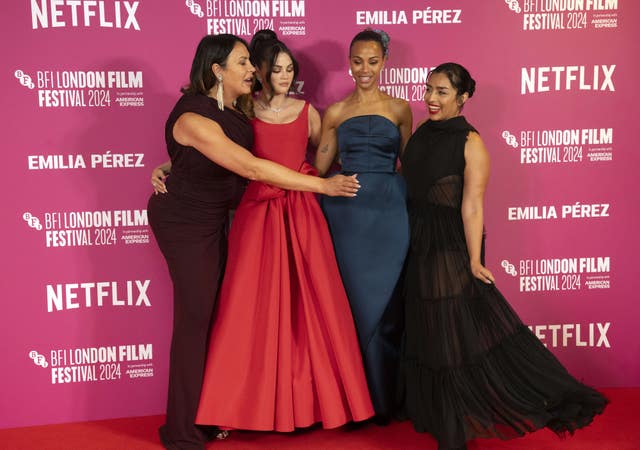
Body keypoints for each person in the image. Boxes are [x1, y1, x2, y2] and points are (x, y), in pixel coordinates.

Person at [148, 34, 361, 450]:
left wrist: (167, 163)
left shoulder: (228, 109)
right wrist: (323, 186)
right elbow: (250, 166)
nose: (253, 71)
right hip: (185, 223)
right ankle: (183, 431)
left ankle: (209, 412)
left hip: (218, 220)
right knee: (195, 320)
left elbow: (205, 155)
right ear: (217, 70)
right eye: (244, 63)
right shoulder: (194, 115)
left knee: (215, 316)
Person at [399, 62, 608, 450]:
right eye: (429, 89)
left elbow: (473, 207)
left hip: (450, 246)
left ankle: (456, 426)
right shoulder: (422, 132)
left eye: (442, 92)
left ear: (463, 98)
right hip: (416, 240)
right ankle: (438, 413)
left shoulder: (471, 143)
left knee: (451, 333)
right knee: (428, 328)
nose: (430, 98)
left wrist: (475, 260)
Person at [315, 29, 412, 421]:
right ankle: (355, 402)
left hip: (390, 212)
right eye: (358, 61)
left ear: (384, 62)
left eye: (373, 61)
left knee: (388, 304)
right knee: (352, 304)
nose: (365, 69)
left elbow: (412, 162)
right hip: (347, 215)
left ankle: (386, 400)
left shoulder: (401, 109)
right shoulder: (335, 113)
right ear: (349, 63)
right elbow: (319, 169)